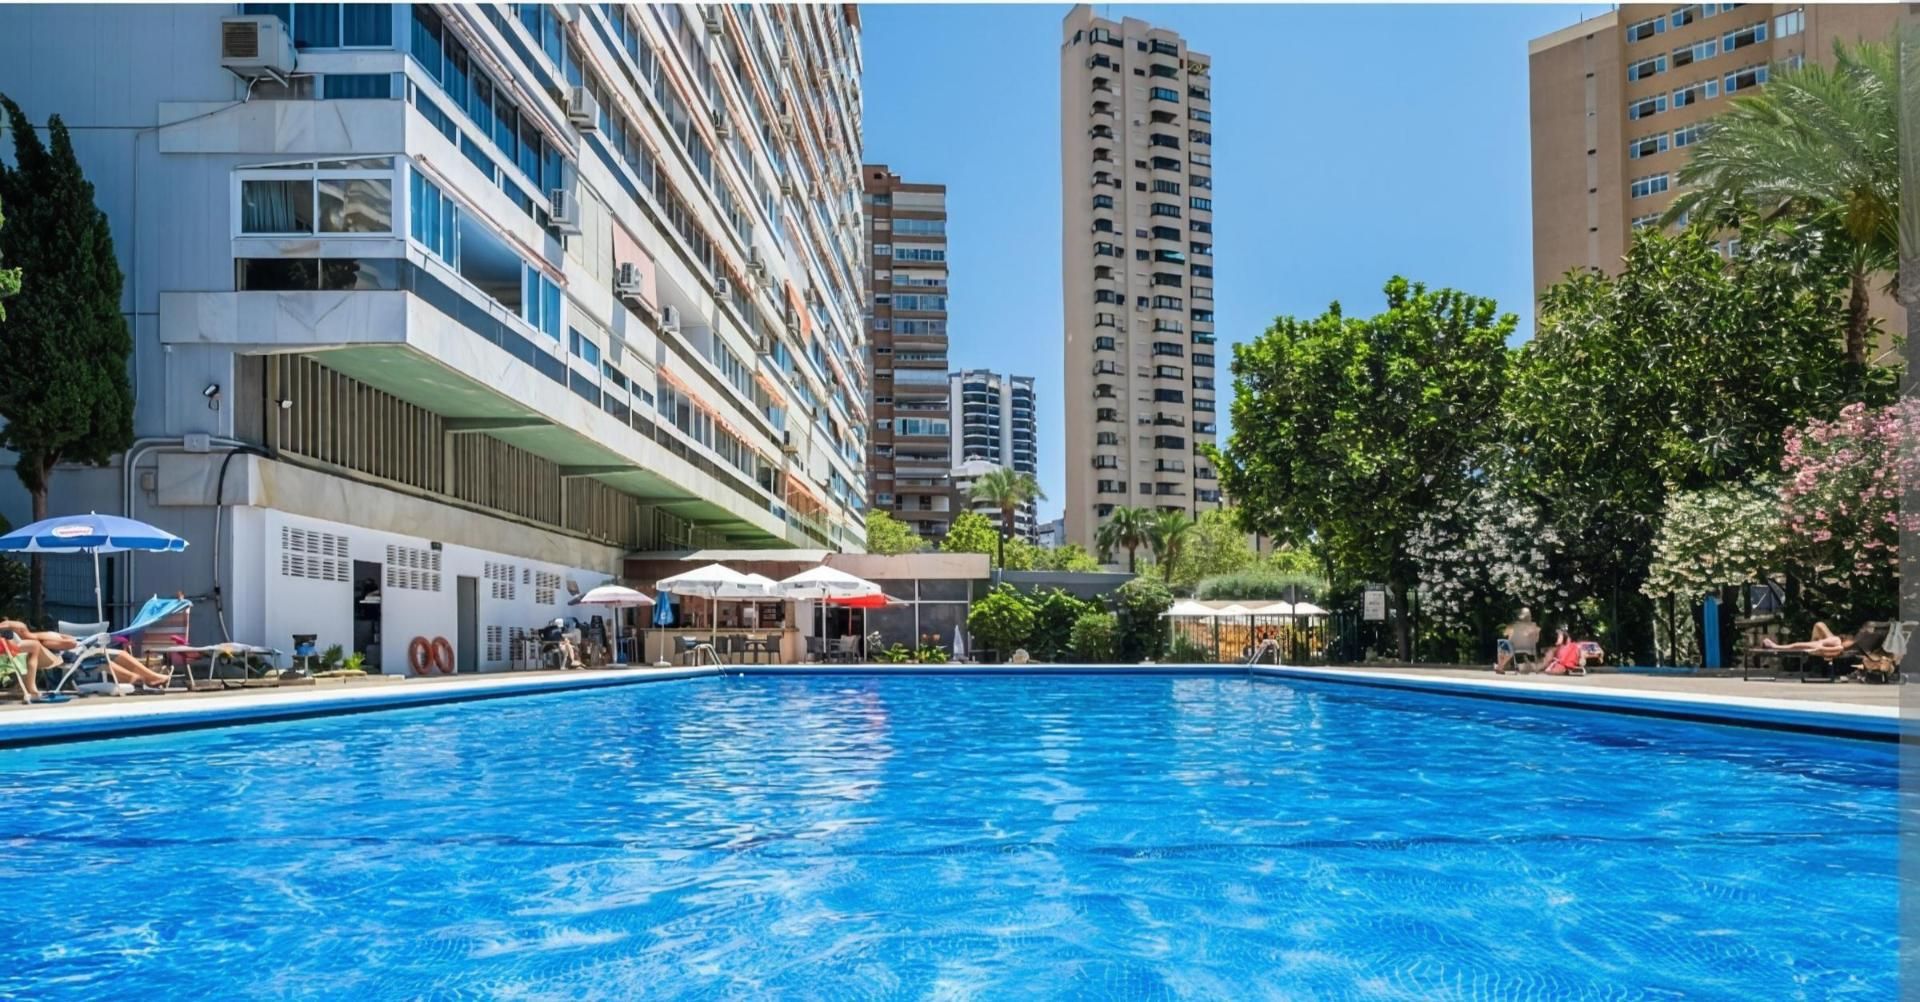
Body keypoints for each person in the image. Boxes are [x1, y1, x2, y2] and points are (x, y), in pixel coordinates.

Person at [0, 620, 173, 692]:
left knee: (107, 659)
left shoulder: (38, 635)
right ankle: (151, 678)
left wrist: (74, 640)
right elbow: (66, 645)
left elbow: (67, 640)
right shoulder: (36, 640)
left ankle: (143, 679)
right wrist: (73, 642)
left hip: (79, 649)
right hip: (74, 655)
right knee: (115, 654)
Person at [1494, 608, 1537, 674]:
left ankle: (1499, 667)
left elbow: (1506, 633)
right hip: (1517, 646)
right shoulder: (1529, 625)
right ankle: (1500, 667)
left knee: (1506, 649)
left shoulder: (1515, 625)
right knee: (1508, 649)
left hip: (1513, 645)